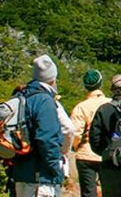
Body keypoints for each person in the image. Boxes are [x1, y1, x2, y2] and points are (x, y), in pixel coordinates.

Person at [11, 55, 64, 197]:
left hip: (21, 173)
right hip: (41, 177)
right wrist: (56, 169)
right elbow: (47, 139)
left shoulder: (21, 95)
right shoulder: (44, 101)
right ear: (52, 78)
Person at [70, 69, 111, 197]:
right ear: (101, 84)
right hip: (107, 154)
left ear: (85, 86)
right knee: (109, 192)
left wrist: (76, 147)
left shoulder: (81, 107)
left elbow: (75, 133)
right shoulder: (111, 104)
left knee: (88, 193)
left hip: (85, 154)